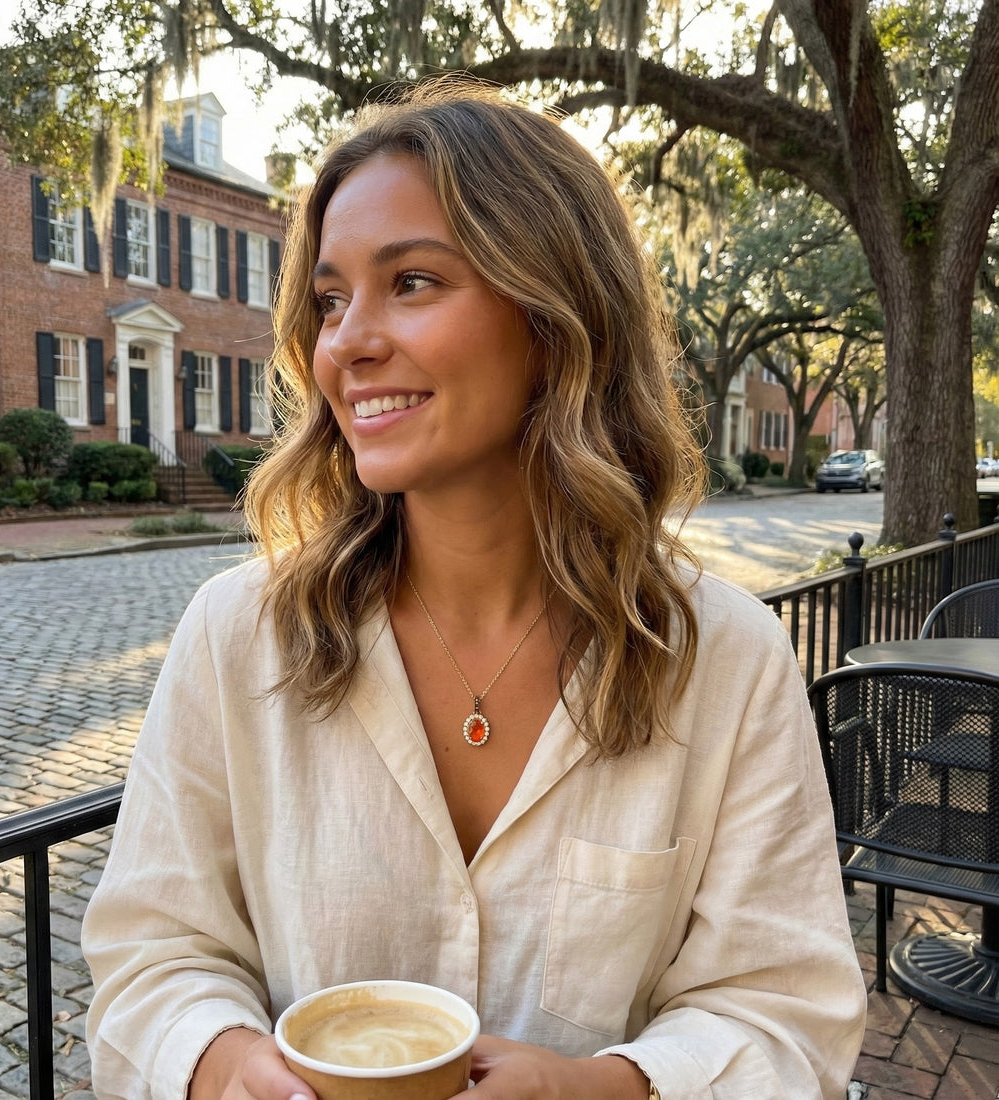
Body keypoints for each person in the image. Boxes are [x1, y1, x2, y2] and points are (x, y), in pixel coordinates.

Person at [82, 78, 867, 1099]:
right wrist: (227, 1068)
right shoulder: (241, 635)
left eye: (410, 282)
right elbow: (151, 952)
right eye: (329, 299)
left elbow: (783, 1008)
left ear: (554, 314)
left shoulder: (720, 658)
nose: (348, 341)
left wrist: (595, 1088)